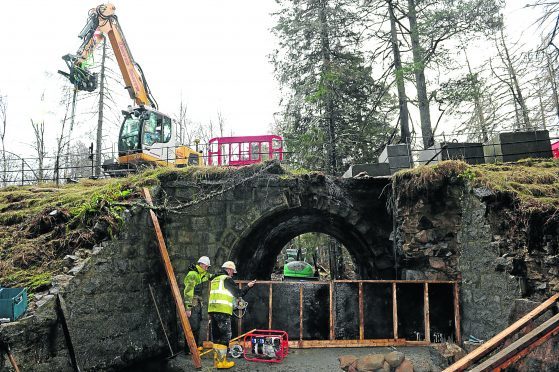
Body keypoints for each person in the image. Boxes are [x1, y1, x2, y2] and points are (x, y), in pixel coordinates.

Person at [208, 261, 256, 369]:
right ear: (229, 269)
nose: (232, 274)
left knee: (216, 337)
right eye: (232, 272)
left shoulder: (215, 279)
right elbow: (238, 293)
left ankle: (217, 361)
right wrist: (248, 286)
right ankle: (222, 362)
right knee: (225, 336)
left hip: (212, 310)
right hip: (222, 311)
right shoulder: (226, 279)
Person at [183, 256, 212, 349]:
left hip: (198, 303)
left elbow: (209, 276)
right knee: (193, 326)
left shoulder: (201, 274)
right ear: (202, 264)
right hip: (193, 304)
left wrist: (220, 275)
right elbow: (188, 292)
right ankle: (189, 349)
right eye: (206, 266)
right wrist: (188, 308)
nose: (207, 268)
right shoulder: (193, 274)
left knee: (197, 325)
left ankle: (194, 347)